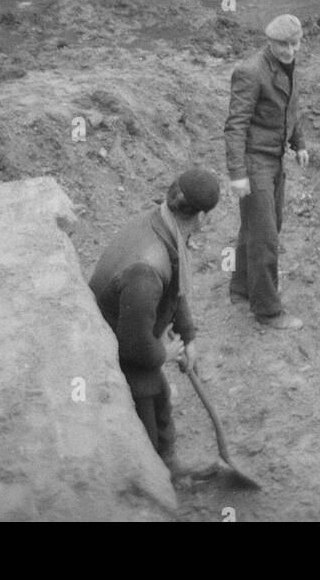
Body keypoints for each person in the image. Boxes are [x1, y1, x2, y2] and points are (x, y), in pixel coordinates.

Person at [88, 167, 221, 474]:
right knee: (146, 409)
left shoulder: (163, 223)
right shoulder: (148, 267)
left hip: (131, 330)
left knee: (159, 394)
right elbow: (134, 347)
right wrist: (167, 353)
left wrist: (188, 337)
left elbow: (176, 287)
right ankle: (153, 475)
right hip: (112, 349)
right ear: (201, 218)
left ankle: (167, 462)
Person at [225, 14, 309, 330]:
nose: (289, 50)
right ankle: (268, 310)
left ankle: (242, 289)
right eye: (282, 45)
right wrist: (237, 173)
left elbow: (292, 107)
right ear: (269, 42)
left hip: (275, 158)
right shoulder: (250, 72)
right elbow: (235, 126)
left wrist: (299, 143)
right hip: (254, 161)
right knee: (266, 236)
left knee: (260, 227)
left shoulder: (289, 66)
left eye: (294, 43)